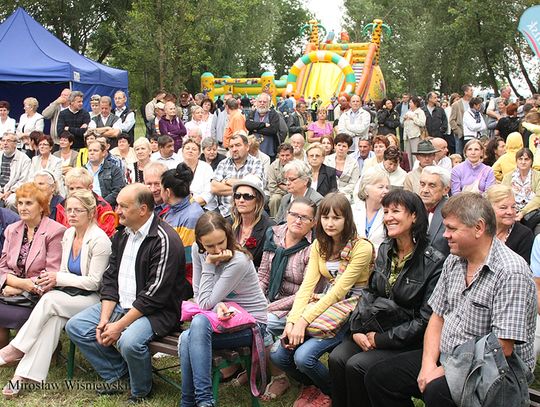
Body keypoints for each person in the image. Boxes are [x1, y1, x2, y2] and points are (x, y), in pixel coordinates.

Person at [365, 193, 537, 407]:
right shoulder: (454, 260)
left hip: (494, 370)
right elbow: (437, 317)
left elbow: (502, 347)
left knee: (437, 390)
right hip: (449, 356)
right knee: (380, 377)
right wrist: (428, 364)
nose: (445, 235)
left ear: (478, 228)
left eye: (452, 229)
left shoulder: (510, 272)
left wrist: (445, 370)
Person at [66, 184, 191, 404]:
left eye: (123, 206)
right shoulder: (122, 234)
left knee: (129, 342)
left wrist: (119, 326)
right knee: (76, 327)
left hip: (157, 313)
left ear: (143, 210)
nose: (117, 211)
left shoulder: (164, 240)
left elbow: (154, 296)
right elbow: (110, 278)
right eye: (117, 205)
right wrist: (105, 319)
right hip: (121, 304)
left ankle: (141, 390)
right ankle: (119, 374)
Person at [329, 189, 444, 407]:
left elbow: (425, 320)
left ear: (414, 216)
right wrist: (357, 329)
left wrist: (380, 339)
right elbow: (370, 292)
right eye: (386, 211)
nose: (388, 217)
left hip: (408, 340)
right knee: (337, 358)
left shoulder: (433, 262)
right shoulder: (385, 249)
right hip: (376, 326)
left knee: (356, 365)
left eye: (395, 211)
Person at [0, 190, 111, 397]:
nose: (72, 214)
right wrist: (55, 279)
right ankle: (22, 376)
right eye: (69, 210)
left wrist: (57, 278)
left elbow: (94, 282)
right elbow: (65, 271)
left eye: (78, 210)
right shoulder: (69, 234)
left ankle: (16, 348)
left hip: (94, 301)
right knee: (53, 320)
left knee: (50, 300)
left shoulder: (100, 240)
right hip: (69, 296)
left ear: (91, 213)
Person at [271, 192, 374, 407]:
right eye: (325, 217)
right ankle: (313, 386)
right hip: (325, 304)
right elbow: (306, 287)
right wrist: (292, 321)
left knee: (304, 358)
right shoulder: (319, 245)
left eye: (336, 218)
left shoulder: (361, 247)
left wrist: (303, 321)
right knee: (279, 355)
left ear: (347, 219)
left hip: (352, 308)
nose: (330, 223)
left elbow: (339, 290)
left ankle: (333, 392)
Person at [179, 211, 268, 407]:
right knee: (189, 335)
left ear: (228, 235)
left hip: (252, 326)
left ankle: (200, 401)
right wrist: (217, 304)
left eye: (221, 242)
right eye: (209, 246)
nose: (217, 249)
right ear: (200, 242)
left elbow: (203, 304)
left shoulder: (238, 261)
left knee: (194, 328)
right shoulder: (197, 250)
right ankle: (194, 402)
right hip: (220, 318)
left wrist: (209, 265)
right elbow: (200, 296)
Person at [258, 198, 317, 401]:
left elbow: (306, 293)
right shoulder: (274, 234)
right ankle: (253, 367)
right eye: (294, 215)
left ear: (313, 223)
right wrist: (257, 300)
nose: (298, 220)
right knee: (243, 314)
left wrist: (268, 308)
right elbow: (263, 274)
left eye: (305, 218)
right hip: (268, 300)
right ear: (286, 214)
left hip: (295, 306)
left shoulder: (313, 247)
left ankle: (279, 377)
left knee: (262, 323)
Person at [0, 183, 65, 348]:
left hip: (40, 295)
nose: (22, 208)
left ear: (41, 206)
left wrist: (20, 288)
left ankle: (37, 352)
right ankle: (5, 355)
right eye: (20, 203)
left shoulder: (55, 231)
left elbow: (51, 273)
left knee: (18, 315)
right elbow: (2, 267)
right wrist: (19, 284)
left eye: (28, 203)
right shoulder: (12, 230)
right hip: (10, 291)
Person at [211, 133, 265, 218]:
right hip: (224, 213)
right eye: (231, 146)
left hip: (248, 214)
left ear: (247, 147)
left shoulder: (256, 163)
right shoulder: (223, 163)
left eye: (238, 145)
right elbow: (214, 188)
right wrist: (244, 186)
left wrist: (227, 181)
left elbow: (256, 188)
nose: (234, 149)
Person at [55, 168, 117, 237]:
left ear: (90, 188)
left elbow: (106, 235)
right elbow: (59, 233)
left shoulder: (103, 207)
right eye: (71, 188)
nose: (75, 192)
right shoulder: (61, 206)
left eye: (79, 188)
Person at [230, 175, 275, 268]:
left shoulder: (270, 228)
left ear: (258, 200)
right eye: (237, 196)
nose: (241, 200)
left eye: (247, 196)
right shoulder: (228, 223)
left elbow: (268, 267)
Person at [486, 184, 534, 262]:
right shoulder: (479, 230)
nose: (510, 212)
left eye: (513, 207)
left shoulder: (524, 235)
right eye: (503, 208)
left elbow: (523, 267)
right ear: (488, 209)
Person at [352, 168, 389, 254]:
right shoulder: (351, 210)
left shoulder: (389, 213)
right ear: (365, 190)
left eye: (387, 188)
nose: (385, 191)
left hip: (380, 259)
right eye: (381, 187)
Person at [502, 148, 540, 228]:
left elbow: (538, 198)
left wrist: (523, 212)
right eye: (520, 159)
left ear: (531, 161)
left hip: (532, 213)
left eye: (526, 159)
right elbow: (502, 196)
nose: (523, 162)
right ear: (516, 161)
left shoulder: (538, 176)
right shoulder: (508, 177)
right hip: (511, 211)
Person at [419, 166, 451, 256]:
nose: (425, 190)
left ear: (445, 190)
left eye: (432, 186)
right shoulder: (413, 209)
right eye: (422, 184)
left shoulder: (452, 212)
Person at [85, 140, 126, 207]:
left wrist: (101, 204)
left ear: (103, 153)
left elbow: (117, 191)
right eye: (90, 151)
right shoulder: (82, 170)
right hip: (85, 206)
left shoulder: (114, 169)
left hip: (106, 207)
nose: (92, 153)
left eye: (95, 150)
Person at [180, 139, 216, 210]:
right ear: (182, 152)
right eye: (187, 148)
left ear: (199, 154)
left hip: (203, 207)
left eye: (194, 149)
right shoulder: (176, 167)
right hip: (180, 206)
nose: (190, 151)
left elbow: (209, 193)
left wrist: (189, 204)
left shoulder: (206, 168)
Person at [324, 133, 360, 202]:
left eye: (344, 146)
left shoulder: (354, 163)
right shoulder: (326, 160)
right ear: (335, 146)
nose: (341, 148)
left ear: (348, 148)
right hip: (328, 193)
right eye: (339, 145)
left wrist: (340, 192)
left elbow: (353, 183)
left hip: (346, 194)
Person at [0, 131, 31, 209]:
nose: (5, 143)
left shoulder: (25, 159)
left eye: (8, 141)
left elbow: (24, 181)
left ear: (15, 143)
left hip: (14, 191)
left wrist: (10, 192)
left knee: (11, 202)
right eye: (3, 140)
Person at [246, 93, 281, 161]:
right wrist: (264, 125)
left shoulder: (274, 114)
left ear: (269, 103)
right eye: (260, 101)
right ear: (256, 102)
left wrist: (255, 129)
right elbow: (248, 125)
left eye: (264, 102)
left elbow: (273, 130)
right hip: (253, 151)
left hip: (269, 150)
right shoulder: (252, 113)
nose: (262, 103)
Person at [267, 143, 295, 217]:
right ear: (278, 155)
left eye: (287, 155)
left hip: (295, 193)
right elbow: (272, 187)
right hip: (279, 193)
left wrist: (281, 186)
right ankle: (275, 220)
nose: (284, 158)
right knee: (275, 199)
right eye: (282, 155)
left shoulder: (298, 166)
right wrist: (285, 191)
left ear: (292, 155)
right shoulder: (273, 167)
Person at [449, 84, 474, 155]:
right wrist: (458, 131)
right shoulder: (456, 104)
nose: (472, 92)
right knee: (459, 153)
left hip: (472, 133)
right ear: (465, 92)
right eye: (471, 90)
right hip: (461, 133)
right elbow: (452, 120)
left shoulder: (473, 103)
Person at [402, 96, 426, 166]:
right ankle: (409, 168)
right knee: (408, 155)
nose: (409, 104)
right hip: (407, 136)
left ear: (415, 103)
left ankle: (416, 167)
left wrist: (413, 118)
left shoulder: (420, 112)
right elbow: (403, 125)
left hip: (416, 135)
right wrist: (404, 119)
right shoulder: (408, 112)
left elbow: (422, 123)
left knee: (415, 154)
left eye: (411, 102)